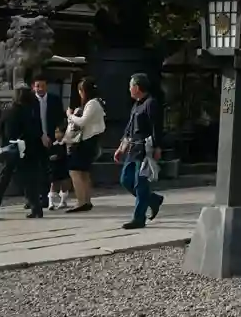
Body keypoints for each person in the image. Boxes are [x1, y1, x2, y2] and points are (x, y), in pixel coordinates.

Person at [113, 73, 164, 230]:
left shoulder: (151, 103)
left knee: (140, 184)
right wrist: (121, 148)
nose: (129, 89)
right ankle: (153, 200)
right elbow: (129, 129)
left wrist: (157, 147)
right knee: (125, 180)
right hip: (132, 148)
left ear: (137, 87)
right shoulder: (136, 105)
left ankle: (139, 218)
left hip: (145, 149)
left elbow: (157, 127)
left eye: (130, 86)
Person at [0, 86, 47, 220]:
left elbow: (1, 131)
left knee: (2, 182)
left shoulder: (7, 111)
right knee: (30, 181)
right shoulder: (30, 112)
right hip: (26, 150)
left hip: (9, 149)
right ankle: (36, 209)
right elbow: (35, 132)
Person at [60, 77, 105, 213]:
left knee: (75, 171)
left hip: (86, 141)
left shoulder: (92, 103)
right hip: (89, 140)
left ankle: (81, 201)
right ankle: (86, 200)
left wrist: (70, 115)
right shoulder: (96, 103)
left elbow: (82, 121)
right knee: (84, 172)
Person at [28, 73, 66, 215]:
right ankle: (32, 199)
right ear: (33, 87)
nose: (40, 89)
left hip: (52, 138)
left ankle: (45, 198)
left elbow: (60, 119)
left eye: (43, 86)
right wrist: (40, 136)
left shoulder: (54, 100)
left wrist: (57, 135)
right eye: (37, 86)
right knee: (34, 169)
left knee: (48, 169)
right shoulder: (30, 101)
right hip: (35, 139)